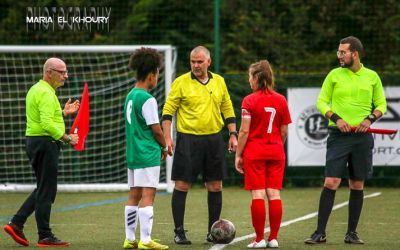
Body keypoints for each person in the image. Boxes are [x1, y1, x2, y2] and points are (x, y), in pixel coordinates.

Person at [304, 36, 387, 245]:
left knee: (357, 184)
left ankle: (352, 233)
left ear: (355, 54)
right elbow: (322, 102)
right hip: (338, 136)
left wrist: (369, 119)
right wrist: (336, 118)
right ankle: (319, 233)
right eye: (338, 52)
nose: (339, 56)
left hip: (361, 138)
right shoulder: (334, 75)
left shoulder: (372, 76)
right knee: (331, 182)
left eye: (343, 52)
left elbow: (381, 104)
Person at [162, 46, 238, 244]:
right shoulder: (180, 82)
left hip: (214, 140)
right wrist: (167, 137)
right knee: (182, 185)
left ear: (208, 62)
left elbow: (227, 107)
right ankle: (179, 232)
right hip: (188, 140)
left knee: (215, 185)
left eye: (199, 62)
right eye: (192, 62)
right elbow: (168, 111)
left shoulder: (219, 81)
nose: (195, 65)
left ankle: (213, 232)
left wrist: (233, 133)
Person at [3, 58, 80, 247]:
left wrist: (62, 113)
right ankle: (44, 235)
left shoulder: (36, 89)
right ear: (49, 72)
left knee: (45, 188)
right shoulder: (46, 93)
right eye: (62, 72)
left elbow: (42, 118)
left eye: (66, 72)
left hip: (34, 142)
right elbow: (46, 124)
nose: (66, 76)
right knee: (46, 190)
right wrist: (67, 138)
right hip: (45, 143)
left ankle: (17, 223)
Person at [235, 60, 292, 249]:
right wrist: (276, 145)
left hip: (255, 153)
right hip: (276, 151)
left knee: (258, 194)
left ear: (257, 78)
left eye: (250, 77)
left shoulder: (249, 100)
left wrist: (238, 154)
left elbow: (243, 131)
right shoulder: (281, 100)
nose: (249, 81)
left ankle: (259, 239)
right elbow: (284, 132)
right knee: (274, 194)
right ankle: (273, 238)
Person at [122, 47, 169, 250]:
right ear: (152, 75)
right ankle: (146, 240)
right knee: (148, 196)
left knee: (134, 195)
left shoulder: (130, 95)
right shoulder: (147, 99)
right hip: (147, 153)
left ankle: (130, 238)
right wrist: (165, 146)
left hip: (133, 154)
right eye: (158, 73)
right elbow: (156, 129)